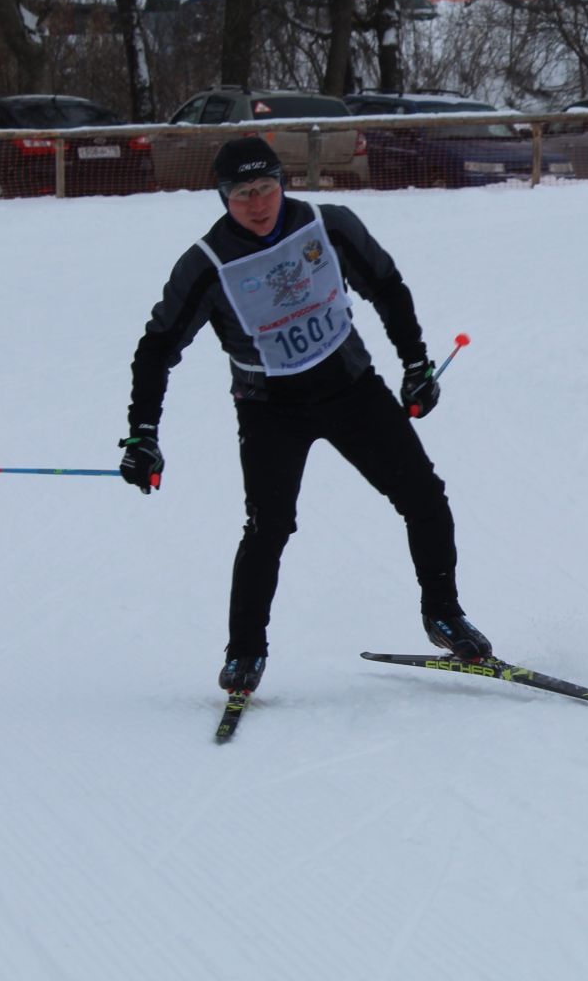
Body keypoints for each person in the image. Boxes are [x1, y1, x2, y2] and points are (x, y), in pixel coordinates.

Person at [119, 137, 490, 695]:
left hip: (351, 389)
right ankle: (245, 652)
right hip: (270, 411)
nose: (258, 204)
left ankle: (443, 614)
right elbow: (157, 348)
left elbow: (387, 287)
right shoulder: (207, 263)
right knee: (268, 529)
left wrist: (416, 364)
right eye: (242, 194)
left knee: (423, 497)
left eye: (265, 188)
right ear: (223, 198)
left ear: (282, 183)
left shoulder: (328, 225)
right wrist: (142, 434)